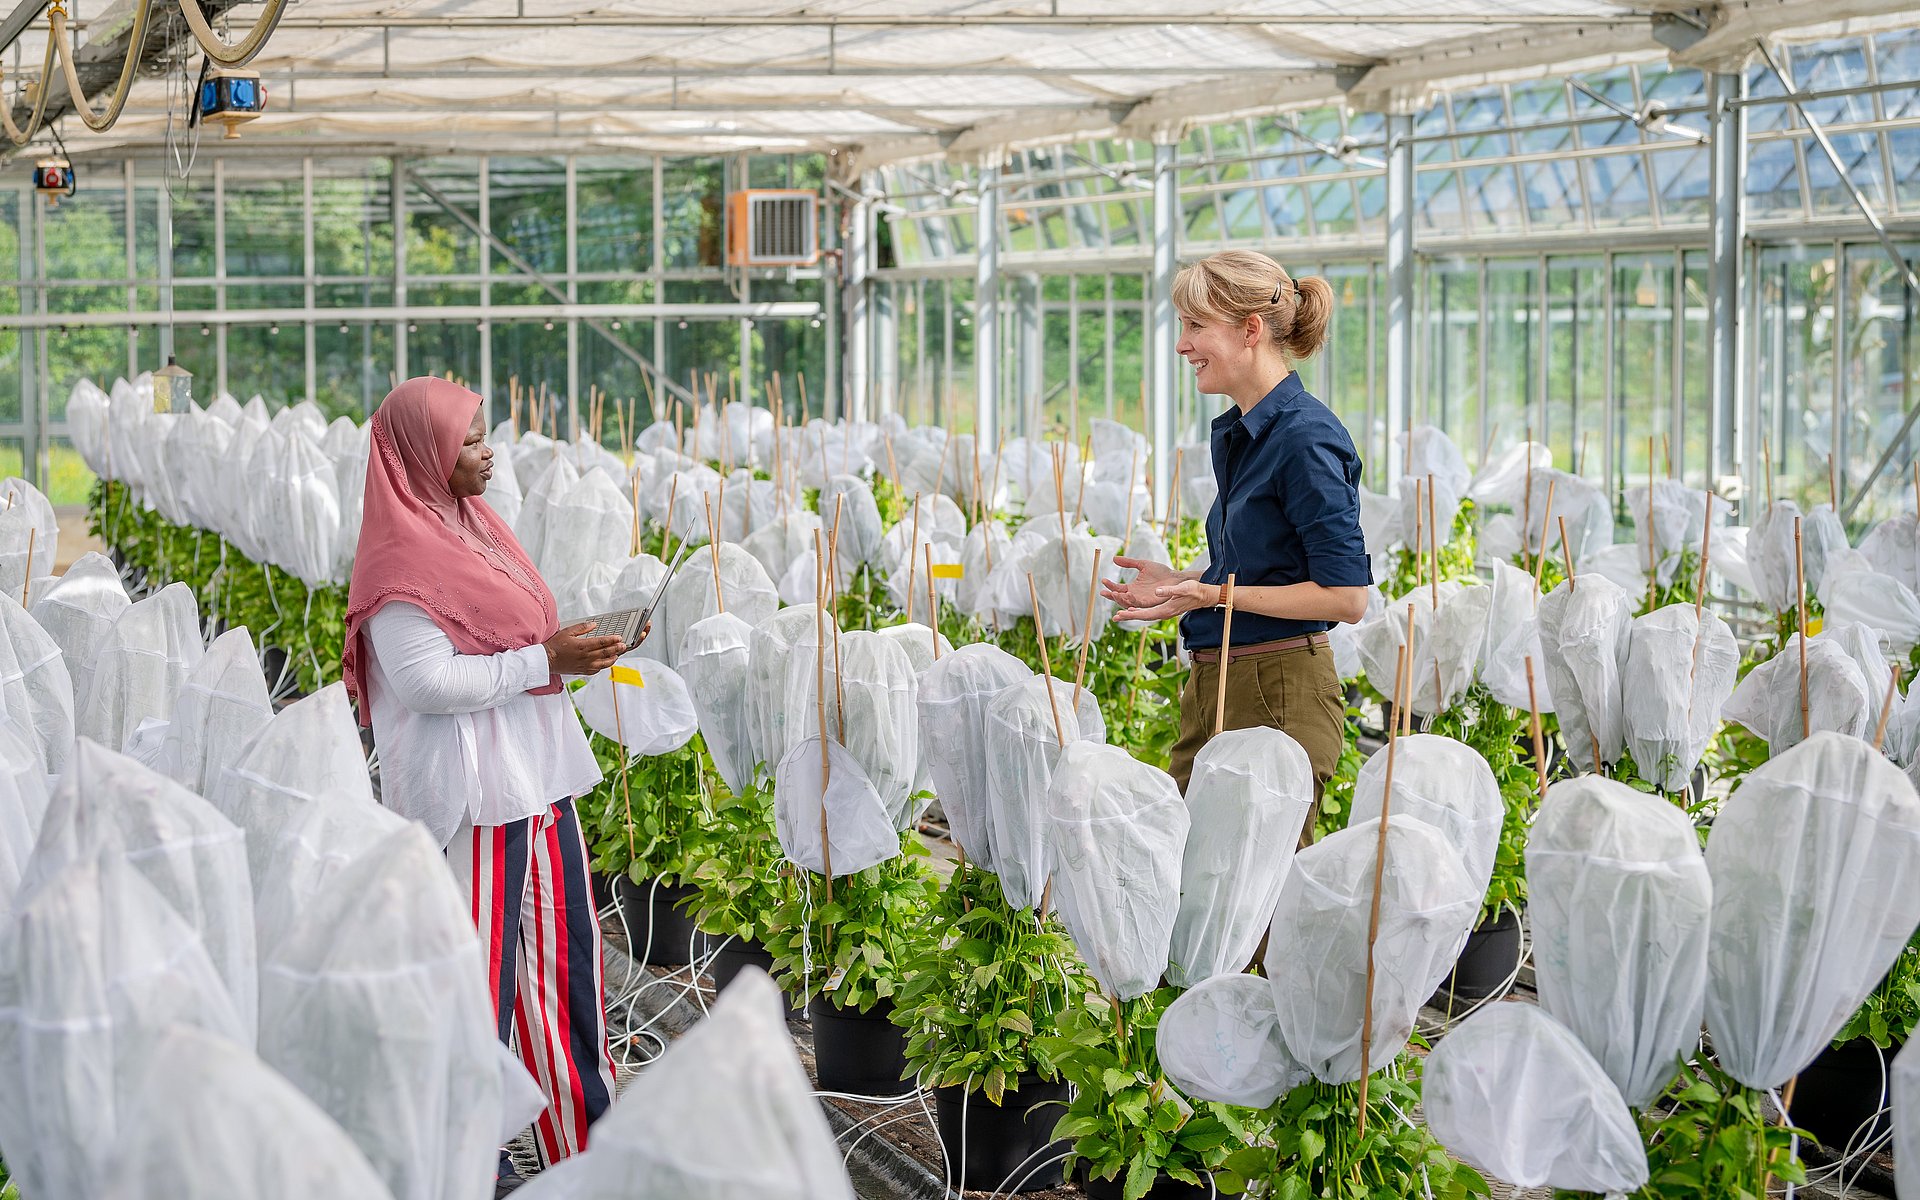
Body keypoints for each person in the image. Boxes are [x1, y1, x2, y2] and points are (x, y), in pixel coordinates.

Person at [343, 377, 629, 1196]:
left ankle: (591, 1146)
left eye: (482, 435)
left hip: (538, 781)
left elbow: (518, 637)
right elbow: (427, 681)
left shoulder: (479, 531)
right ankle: (468, 1159)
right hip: (474, 800)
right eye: (467, 441)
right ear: (425, 457)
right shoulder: (399, 557)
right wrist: (548, 662)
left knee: (567, 969)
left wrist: (569, 647)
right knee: (475, 985)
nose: (486, 450)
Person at [1104, 250, 1371, 835]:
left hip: (1276, 692)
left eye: (1196, 326)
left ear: (1251, 330)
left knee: (1253, 914)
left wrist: (1214, 595)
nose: (1182, 345)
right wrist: (1185, 584)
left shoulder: (1304, 438)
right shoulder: (1249, 433)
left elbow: (1346, 598)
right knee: (1189, 888)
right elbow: (1263, 569)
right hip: (1221, 680)